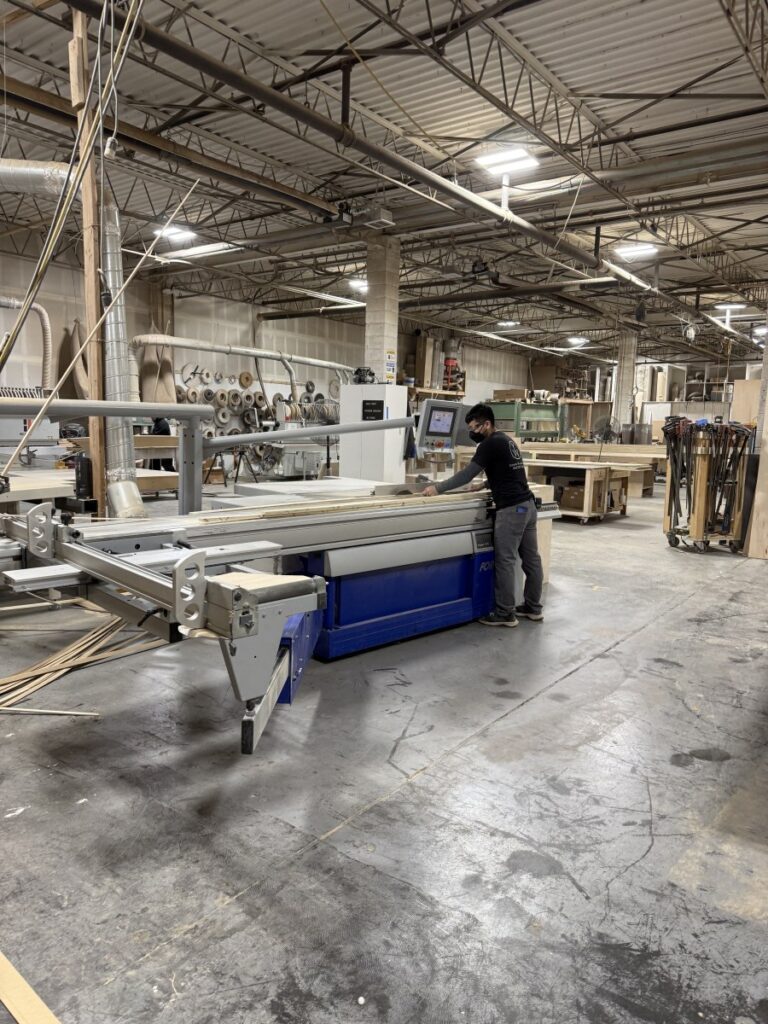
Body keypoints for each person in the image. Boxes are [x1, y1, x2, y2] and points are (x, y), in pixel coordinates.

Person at [422, 403, 543, 628]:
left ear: (486, 424)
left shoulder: (488, 444)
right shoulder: (505, 440)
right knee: (532, 559)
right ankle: (533, 608)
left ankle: (505, 613)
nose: (472, 432)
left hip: (511, 510)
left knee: (505, 560)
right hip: (528, 506)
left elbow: (467, 474)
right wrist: (486, 484)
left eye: (474, 427)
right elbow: (511, 471)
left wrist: (438, 488)